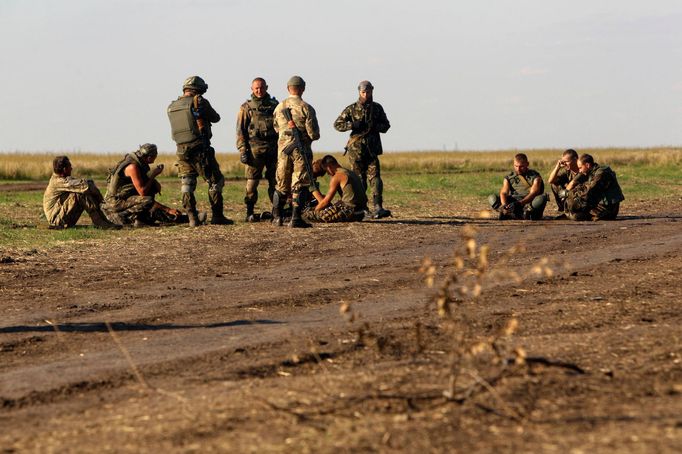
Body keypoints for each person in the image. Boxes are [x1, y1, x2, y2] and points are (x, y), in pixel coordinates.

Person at [167, 76, 233, 227]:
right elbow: (215, 118)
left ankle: (192, 218)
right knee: (216, 181)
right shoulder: (199, 101)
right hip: (199, 149)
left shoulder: (172, 106)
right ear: (198, 88)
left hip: (181, 150)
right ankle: (217, 216)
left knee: (187, 183)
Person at [333, 80, 391, 219]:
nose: (366, 94)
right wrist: (352, 125)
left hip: (372, 149)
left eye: (368, 91)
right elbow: (337, 124)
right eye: (363, 92)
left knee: (375, 177)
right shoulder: (351, 109)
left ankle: (378, 206)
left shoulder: (377, 108)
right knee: (359, 180)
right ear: (359, 92)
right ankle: (361, 208)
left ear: (372, 91)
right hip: (356, 150)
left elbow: (386, 126)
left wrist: (376, 126)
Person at [271, 75, 320, 228]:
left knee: (281, 182)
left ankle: (277, 217)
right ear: (303, 89)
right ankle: (296, 218)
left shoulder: (279, 107)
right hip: (301, 150)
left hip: (283, 150)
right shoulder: (306, 107)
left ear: (288, 89)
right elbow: (314, 134)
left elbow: (276, 127)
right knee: (299, 182)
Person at [103, 143, 188, 226]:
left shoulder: (139, 163)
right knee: (148, 200)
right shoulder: (133, 167)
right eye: (155, 156)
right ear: (149, 157)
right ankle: (119, 216)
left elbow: (152, 188)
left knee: (152, 194)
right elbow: (142, 192)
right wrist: (153, 175)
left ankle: (140, 218)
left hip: (124, 198)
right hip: (114, 202)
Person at [236, 77, 278, 222]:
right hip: (254, 150)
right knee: (252, 183)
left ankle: (277, 211)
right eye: (256, 88)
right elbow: (240, 131)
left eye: (261, 87)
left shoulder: (275, 106)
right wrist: (242, 150)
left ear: (266, 87)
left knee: (276, 182)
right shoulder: (246, 107)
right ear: (252, 89)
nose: (259, 91)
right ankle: (249, 212)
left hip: (274, 149)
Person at [42, 156, 120, 229]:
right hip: (56, 221)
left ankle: (103, 220)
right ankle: (100, 222)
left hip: (59, 217)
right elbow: (85, 185)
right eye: (70, 166)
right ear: (65, 169)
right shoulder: (59, 181)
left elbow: (83, 184)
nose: (71, 168)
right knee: (80, 194)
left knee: (81, 190)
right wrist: (100, 199)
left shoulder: (60, 178)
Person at [302, 155, 368, 223]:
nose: (328, 173)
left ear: (329, 167)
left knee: (307, 215)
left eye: (327, 171)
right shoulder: (351, 172)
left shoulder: (337, 176)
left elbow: (325, 202)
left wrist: (314, 212)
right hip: (360, 213)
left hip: (349, 212)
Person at [563, 154, 624, 221]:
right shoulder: (591, 172)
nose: (579, 171)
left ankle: (592, 216)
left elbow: (589, 189)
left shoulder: (601, 173)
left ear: (587, 165)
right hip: (599, 205)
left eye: (580, 168)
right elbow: (582, 186)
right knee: (572, 207)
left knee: (575, 215)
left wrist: (570, 194)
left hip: (607, 209)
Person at [488, 153, 548, 220]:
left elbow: (534, 193)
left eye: (521, 166)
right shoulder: (509, 177)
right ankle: (506, 213)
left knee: (542, 198)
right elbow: (504, 193)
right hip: (513, 203)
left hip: (528, 204)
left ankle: (528, 214)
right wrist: (504, 205)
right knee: (492, 198)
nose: (518, 169)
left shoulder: (535, 177)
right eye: (516, 166)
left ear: (527, 164)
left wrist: (520, 203)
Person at [547, 148, 579, 217]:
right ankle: (563, 208)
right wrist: (557, 167)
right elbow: (550, 181)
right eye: (563, 162)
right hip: (570, 195)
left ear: (575, 160)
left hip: (580, 196)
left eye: (566, 161)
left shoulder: (582, 169)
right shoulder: (567, 171)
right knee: (555, 184)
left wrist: (566, 191)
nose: (564, 164)